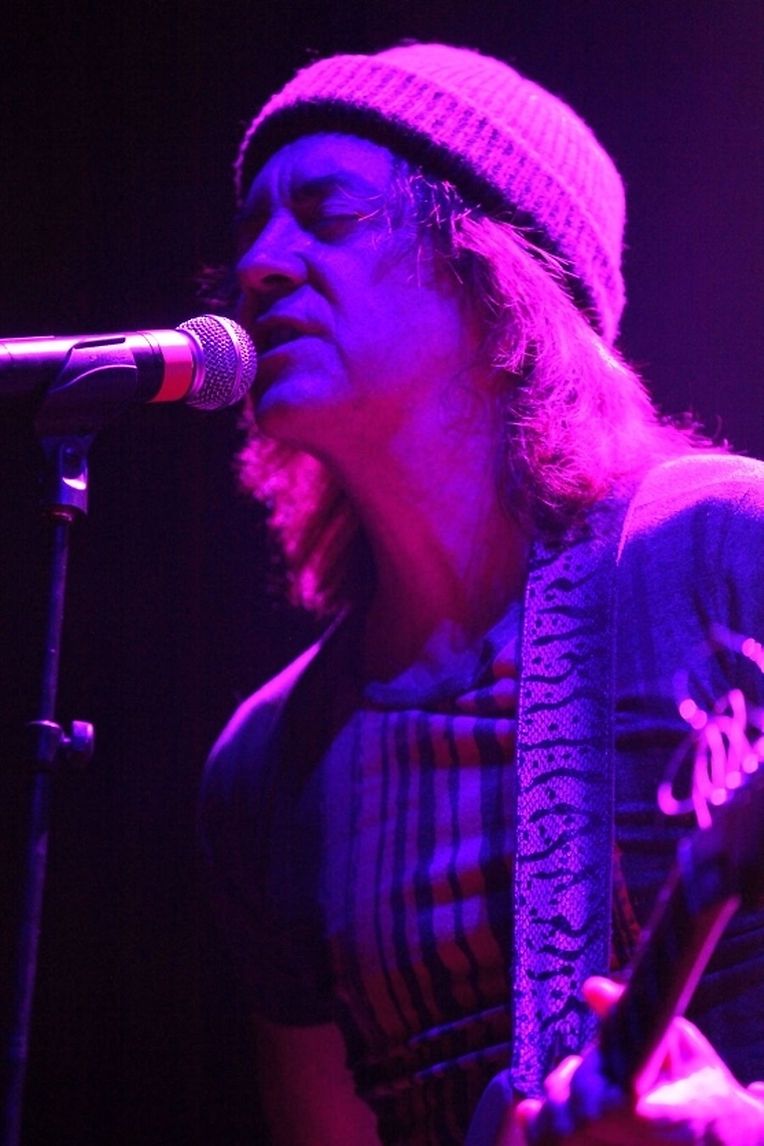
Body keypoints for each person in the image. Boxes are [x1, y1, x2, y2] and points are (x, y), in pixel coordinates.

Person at [198, 42, 764, 1145]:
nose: (258, 265)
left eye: (327, 214)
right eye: (252, 228)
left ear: (492, 267)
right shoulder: (267, 768)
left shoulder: (723, 551)